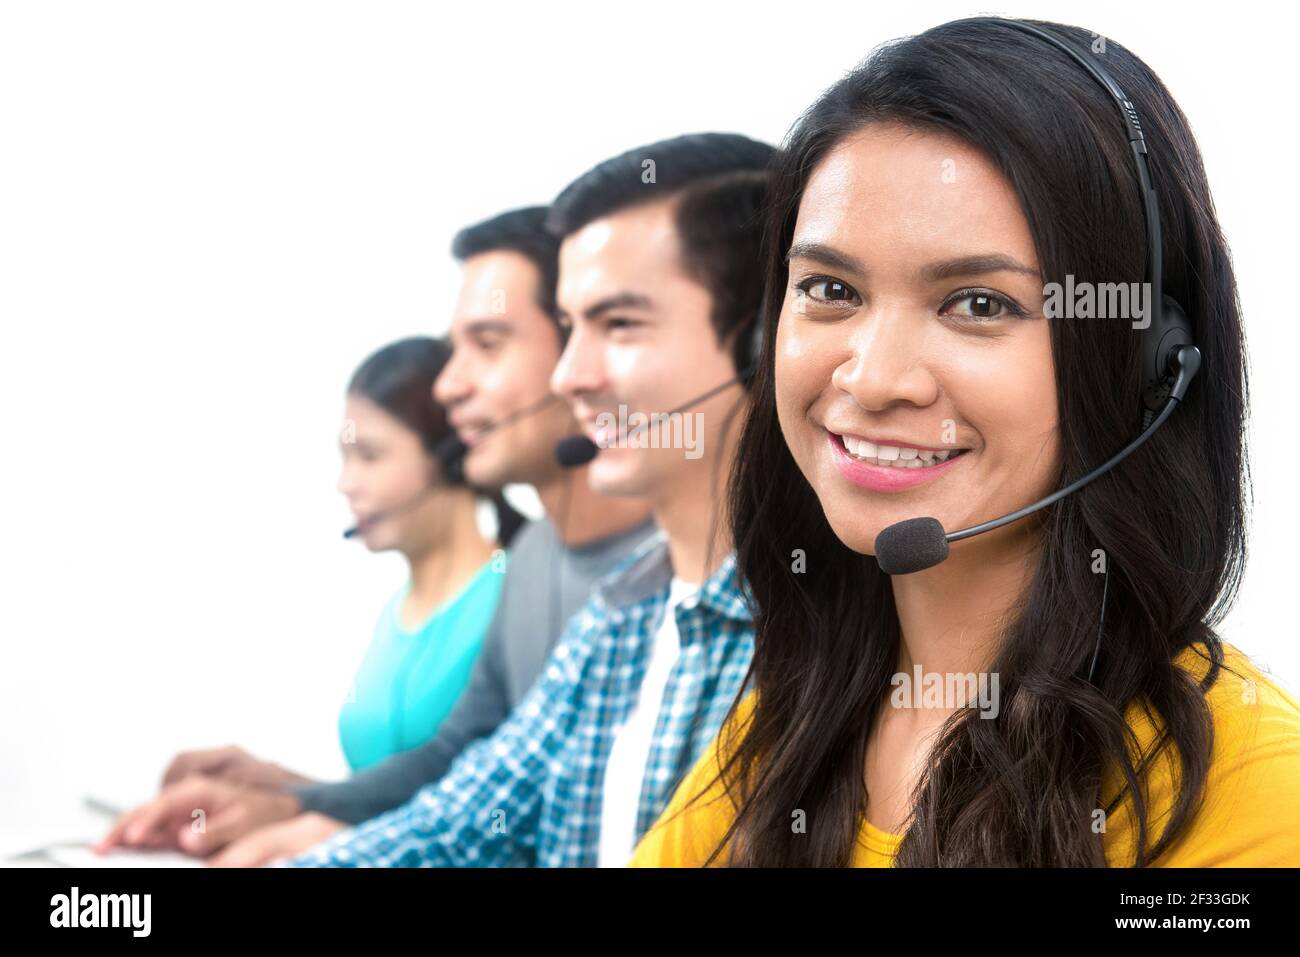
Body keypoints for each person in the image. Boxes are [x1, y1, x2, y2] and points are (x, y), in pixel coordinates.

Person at [631, 16, 1300, 867]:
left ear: (1144, 362)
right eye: (830, 288)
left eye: (979, 304)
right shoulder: (790, 723)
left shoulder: (1247, 791)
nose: (872, 379)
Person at [97, 207, 656, 862]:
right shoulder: (532, 560)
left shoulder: (658, 576)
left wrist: (321, 828)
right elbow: (458, 763)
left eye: (488, 343)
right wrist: (299, 804)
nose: (451, 385)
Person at [287, 131, 772, 868]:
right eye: (573, 328)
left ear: (764, 343)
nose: (571, 375)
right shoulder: (619, 614)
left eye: (620, 324)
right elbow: (456, 822)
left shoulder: (814, 634)